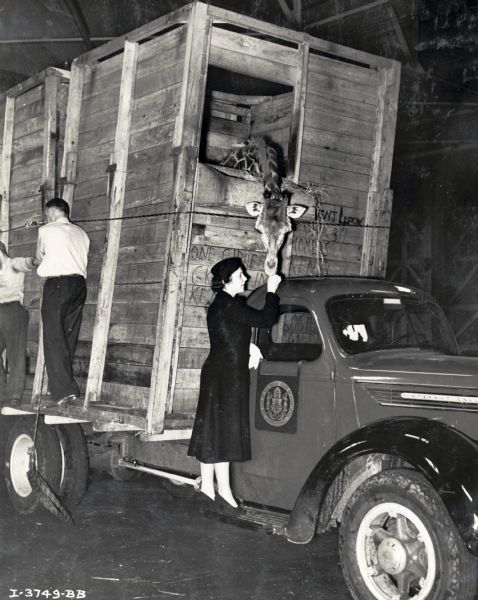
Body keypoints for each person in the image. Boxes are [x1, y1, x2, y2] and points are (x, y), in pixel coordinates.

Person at [188, 256, 281, 513]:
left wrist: (247, 347)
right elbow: (265, 319)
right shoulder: (229, 304)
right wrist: (271, 290)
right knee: (223, 434)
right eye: (240, 275)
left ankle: (211, 489)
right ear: (228, 281)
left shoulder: (224, 304)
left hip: (221, 375)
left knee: (215, 434)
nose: (246, 278)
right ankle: (220, 491)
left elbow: (229, 332)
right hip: (226, 378)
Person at [35, 197, 90, 405]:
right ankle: (68, 388)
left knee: (53, 338)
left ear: (50, 212)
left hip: (57, 286)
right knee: (68, 337)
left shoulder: (46, 230)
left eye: (46, 214)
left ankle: (62, 391)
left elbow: (39, 258)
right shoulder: (81, 233)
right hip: (78, 286)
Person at [0, 242, 36, 404]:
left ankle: (14, 395)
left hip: (13, 310)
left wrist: (35, 261)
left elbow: (26, 263)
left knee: (16, 355)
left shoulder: (12, 264)